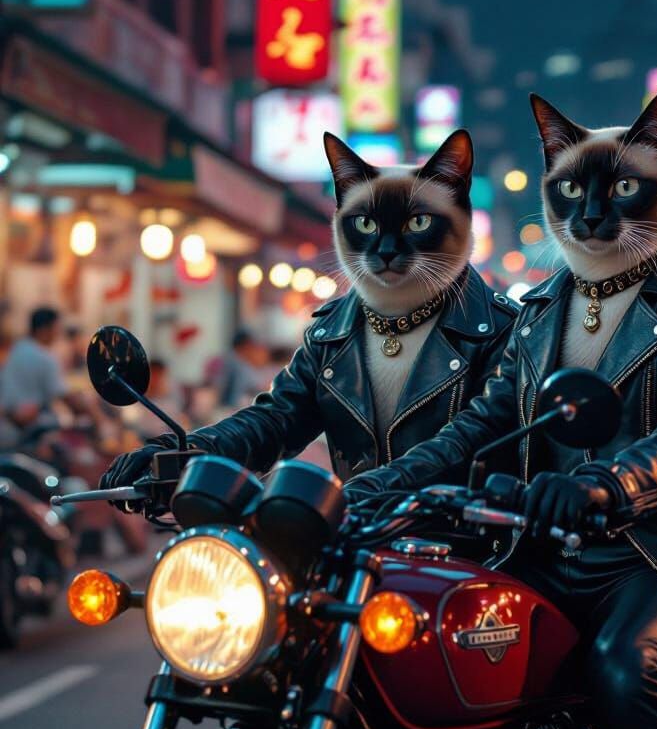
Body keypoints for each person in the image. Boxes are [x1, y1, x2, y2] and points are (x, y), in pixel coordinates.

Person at [348, 91, 657, 729]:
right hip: (549, 544)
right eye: (572, 190)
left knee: (623, 670)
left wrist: (608, 485)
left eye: (624, 190)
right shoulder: (539, 309)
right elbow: (486, 422)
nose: (594, 212)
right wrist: (380, 484)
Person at [100, 128, 518, 494]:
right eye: (367, 227)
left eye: (416, 224)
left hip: (466, 556)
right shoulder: (332, 333)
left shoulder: (505, 331)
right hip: (358, 551)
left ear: (460, 213)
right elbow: (277, 420)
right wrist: (183, 452)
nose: (387, 249)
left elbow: (471, 440)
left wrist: (371, 488)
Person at [0, 307, 91, 440]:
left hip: (9, 421)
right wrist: (93, 413)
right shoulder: (44, 357)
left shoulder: (17, 348)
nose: (58, 334)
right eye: (56, 328)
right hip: (27, 427)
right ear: (44, 330)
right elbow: (64, 396)